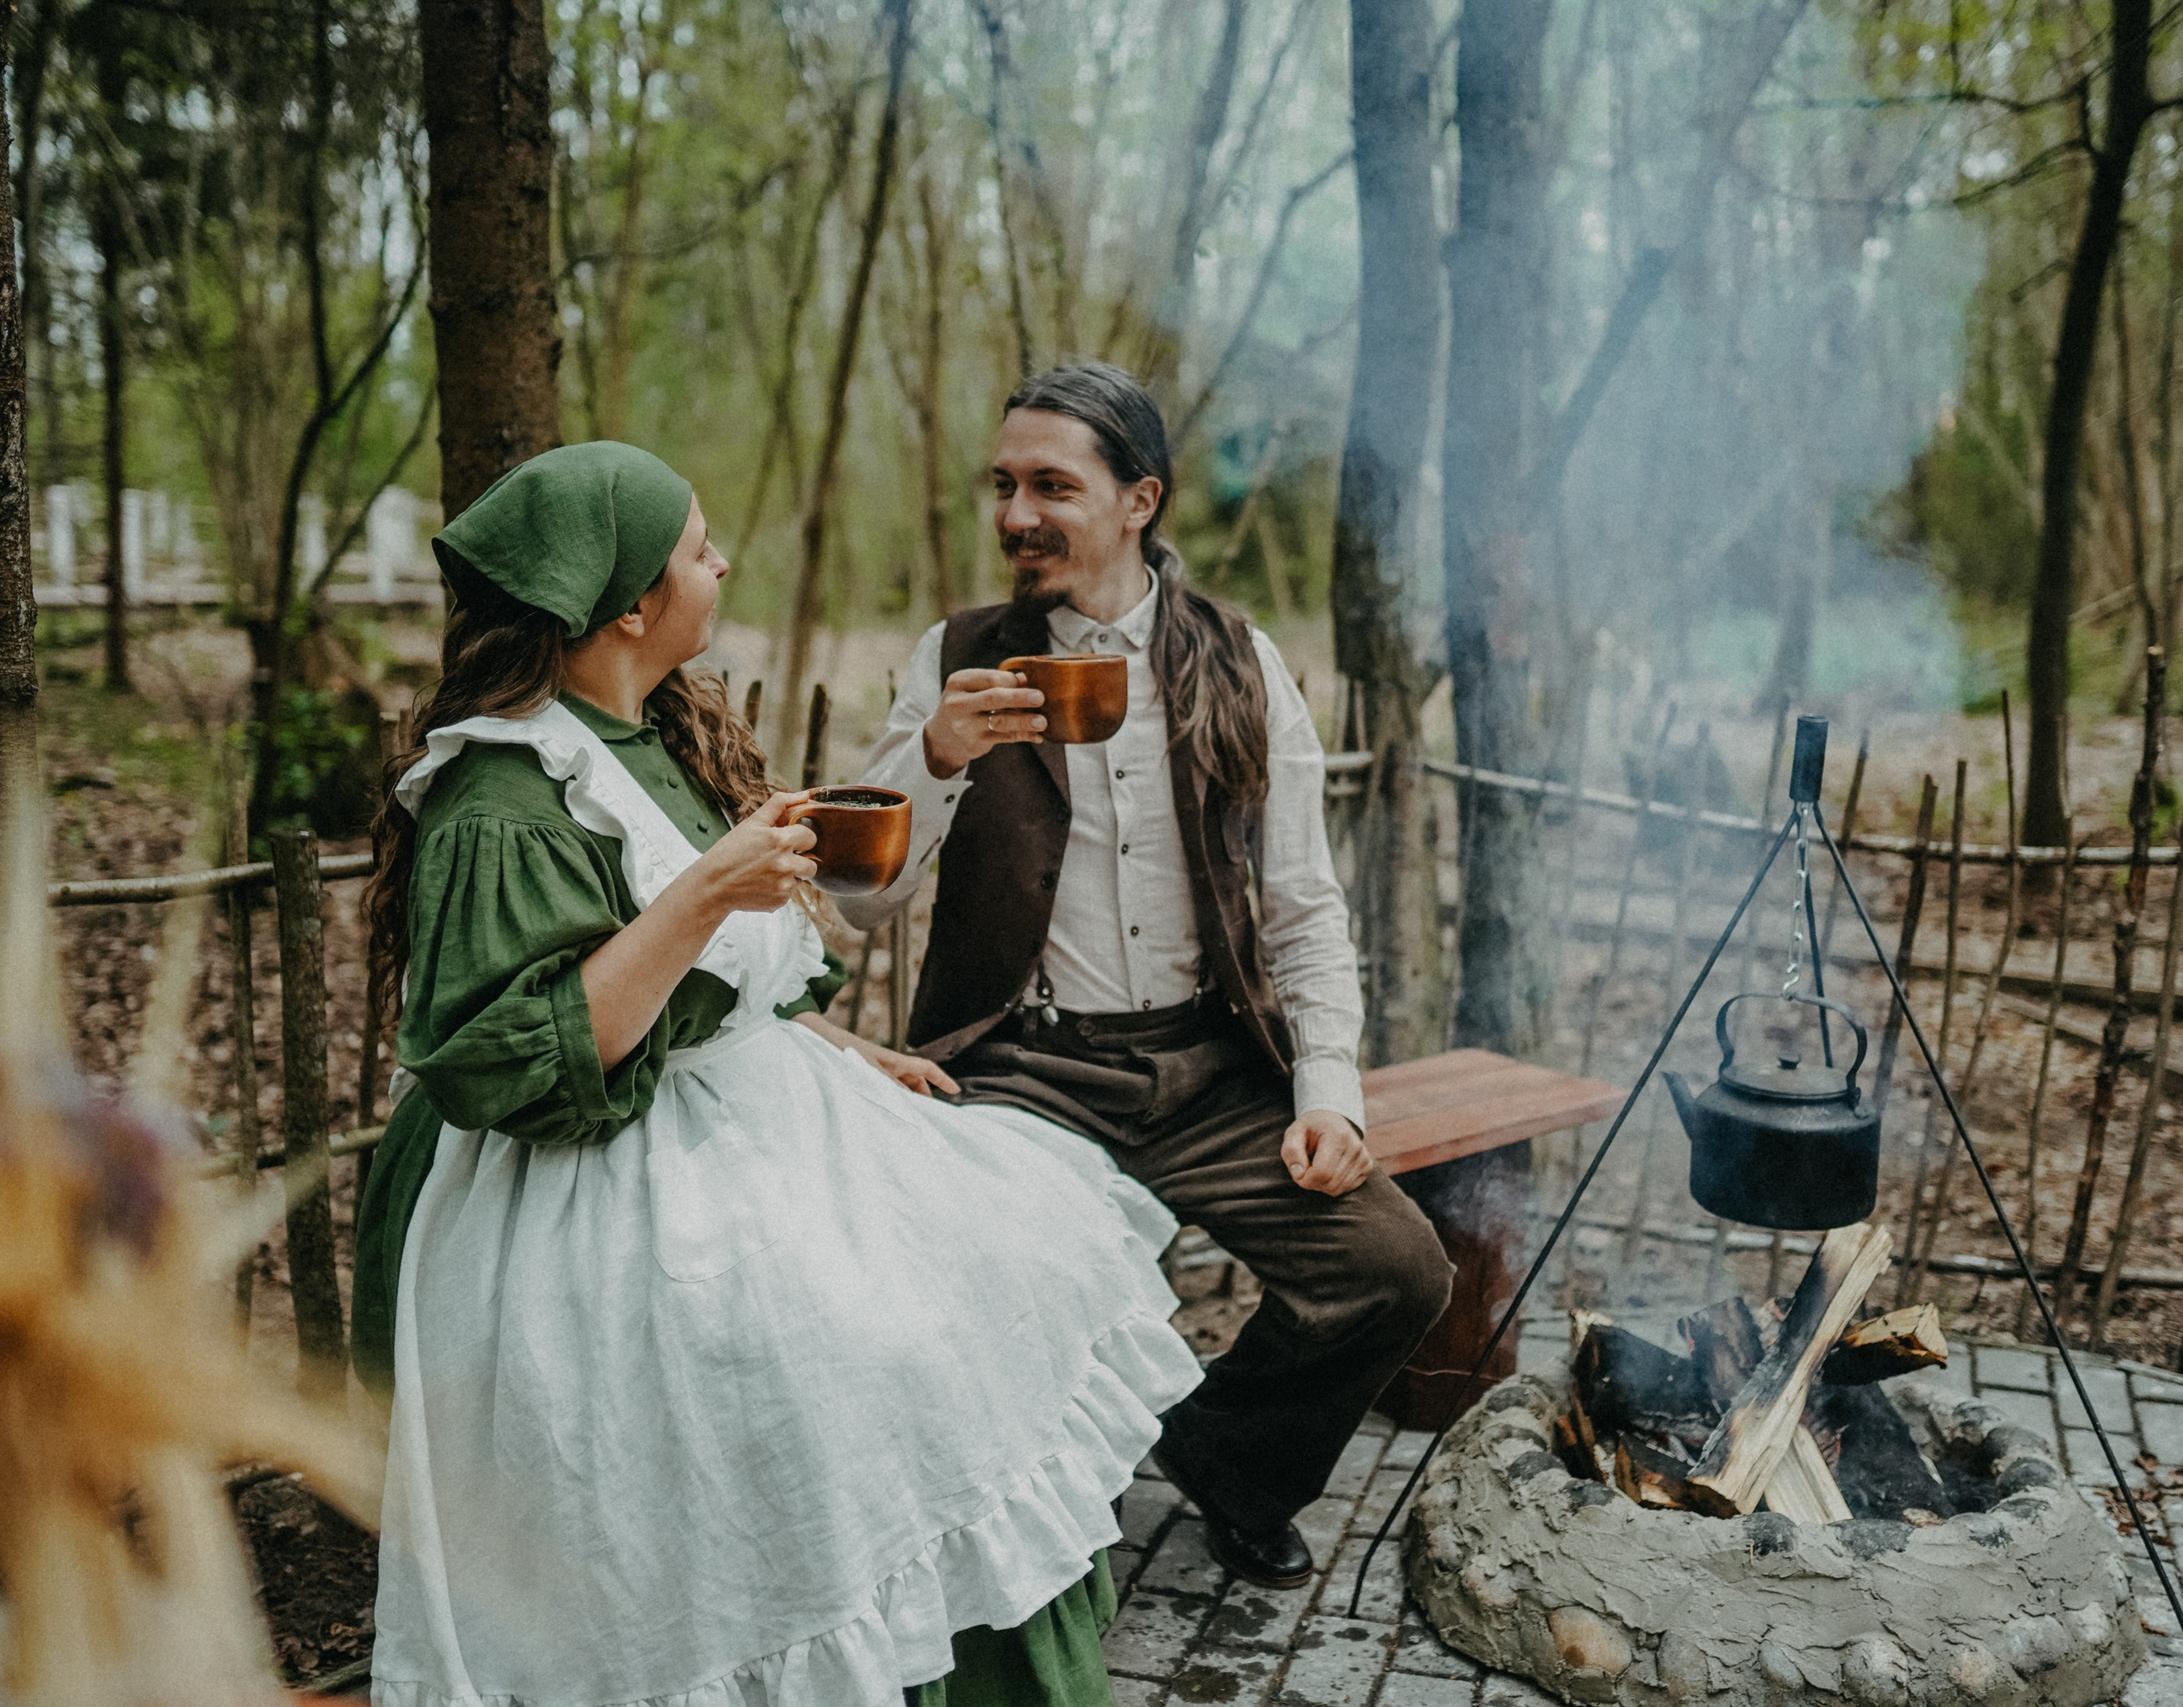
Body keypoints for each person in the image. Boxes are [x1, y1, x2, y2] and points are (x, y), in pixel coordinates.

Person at [350, 441, 1203, 1707]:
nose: (723, 563)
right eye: (699, 550)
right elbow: (505, 1064)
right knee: (841, 1351)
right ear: (629, 606)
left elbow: (721, 990)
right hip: (587, 1172)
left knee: (998, 1264)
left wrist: (845, 1046)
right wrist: (702, 895)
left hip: (747, 1104)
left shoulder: (649, 730)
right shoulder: (502, 794)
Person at [839, 364, 1452, 1591]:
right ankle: (1003, 1533)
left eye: (1051, 487)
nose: (1016, 515)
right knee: (1007, 1277)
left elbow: (1302, 908)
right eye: (1003, 486)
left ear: (1139, 500)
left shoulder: (1240, 662)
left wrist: (1328, 1096)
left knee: (1396, 1273)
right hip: (1020, 1067)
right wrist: (935, 757)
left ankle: (1229, 1461)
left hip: (1205, 1065)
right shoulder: (954, 657)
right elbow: (865, 901)